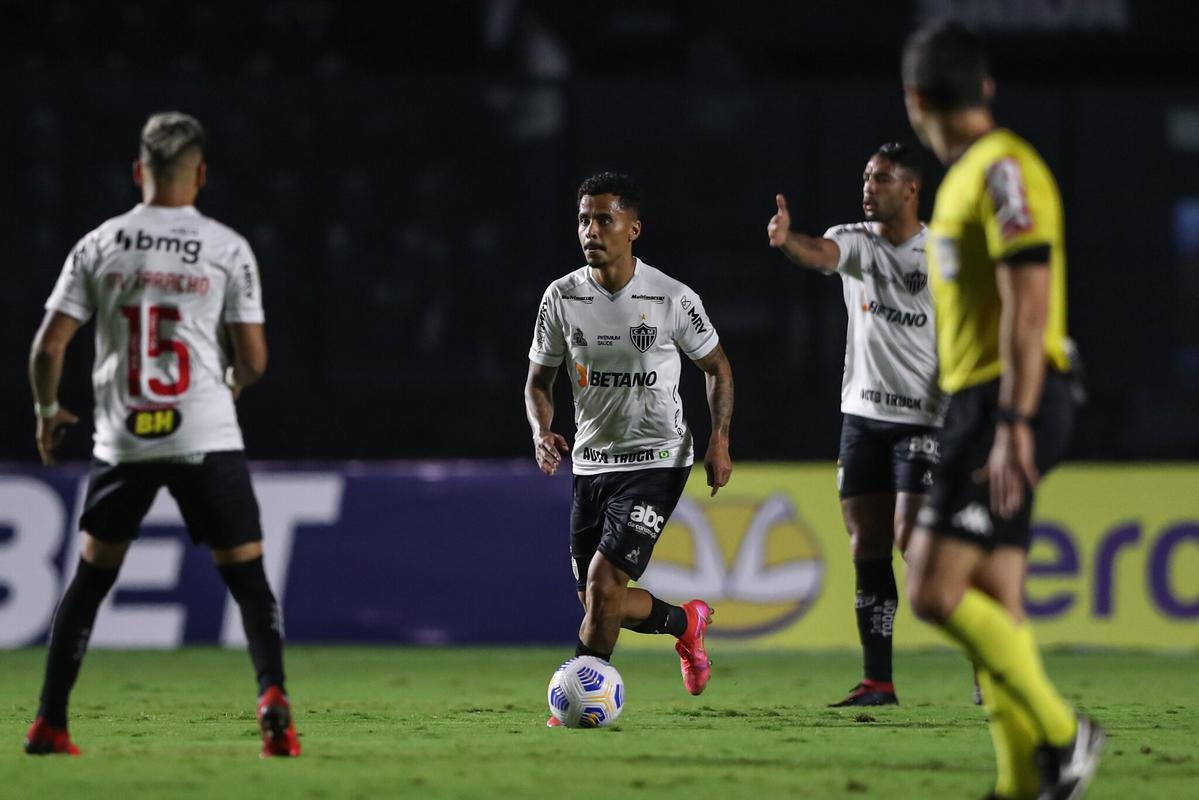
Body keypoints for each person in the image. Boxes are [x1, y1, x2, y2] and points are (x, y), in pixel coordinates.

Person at [24, 112, 300, 758]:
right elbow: (254, 360)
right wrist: (228, 383)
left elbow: (48, 347)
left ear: (137, 172)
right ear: (199, 176)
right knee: (249, 583)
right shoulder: (227, 247)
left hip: (124, 440)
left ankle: (49, 722)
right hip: (205, 431)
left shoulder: (100, 243)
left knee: (89, 583)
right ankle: (273, 701)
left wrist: (46, 410)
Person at [901, 22, 1102, 800]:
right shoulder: (971, 176)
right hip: (987, 400)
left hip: (1005, 401)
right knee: (994, 600)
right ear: (983, 87)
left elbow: (1029, 302)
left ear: (916, 100)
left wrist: (1012, 422)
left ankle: (1061, 733)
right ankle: (1020, 785)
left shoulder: (1000, 170)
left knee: (931, 590)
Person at [525, 172, 734, 726]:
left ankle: (574, 697)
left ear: (633, 229)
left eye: (604, 219)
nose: (590, 230)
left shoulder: (671, 297)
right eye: (583, 220)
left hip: (658, 458)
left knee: (603, 586)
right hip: (591, 462)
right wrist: (541, 430)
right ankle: (686, 623)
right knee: (600, 603)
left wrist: (719, 439)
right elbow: (538, 382)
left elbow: (716, 367)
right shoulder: (561, 297)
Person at [767, 142, 943, 707]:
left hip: (924, 420)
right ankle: (878, 682)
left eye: (882, 178)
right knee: (867, 544)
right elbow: (821, 253)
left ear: (911, 188)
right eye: (867, 176)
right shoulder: (856, 241)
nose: (869, 186)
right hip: (863, 420)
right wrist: (787, 240)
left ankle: (985, 656)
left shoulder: (942, 253)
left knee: (914, 544)